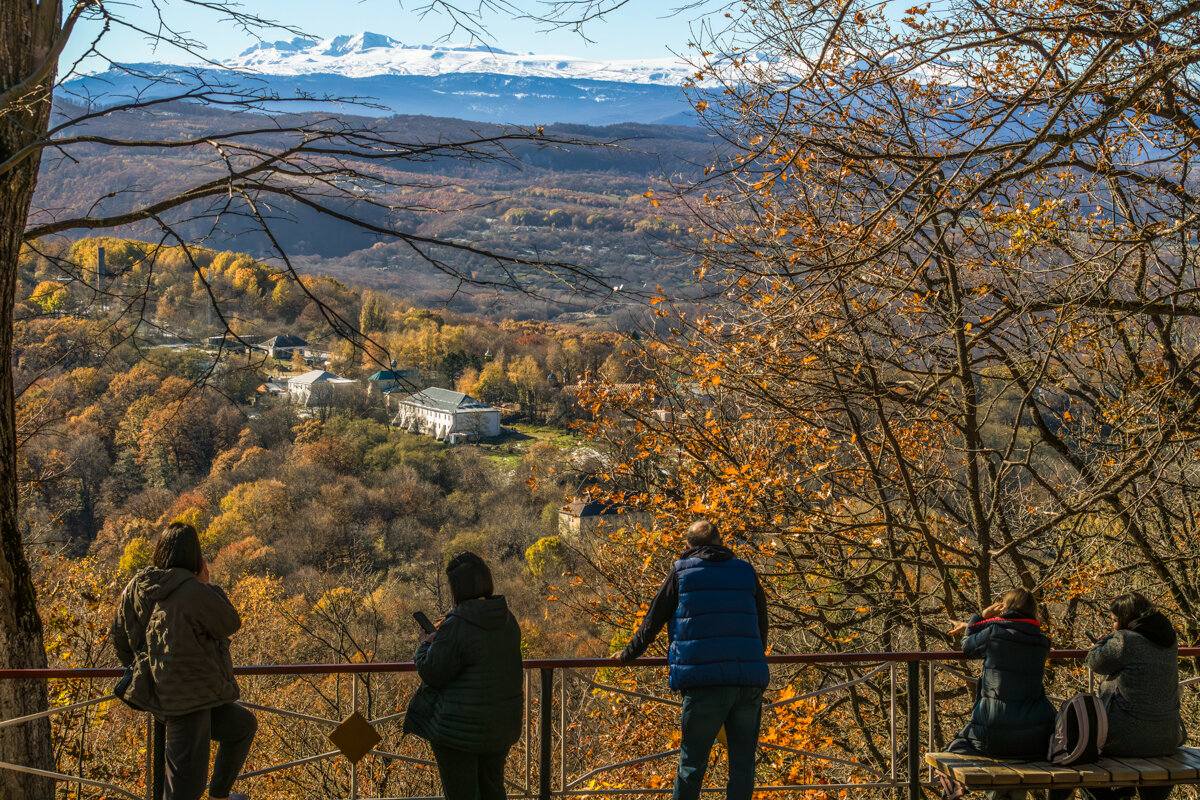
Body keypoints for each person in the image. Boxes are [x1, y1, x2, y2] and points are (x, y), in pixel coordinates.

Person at [612, 519, 769, 800]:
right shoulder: (746, 571)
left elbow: (653, 622)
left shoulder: (681, 572)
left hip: (704, 685)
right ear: (721, 542)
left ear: (688, 546)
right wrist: (751, 661)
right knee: (743, 766)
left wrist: (628, 654)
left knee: (692, 765)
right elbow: (762, 624)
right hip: (748, 682)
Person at [110, 522, 256, 800]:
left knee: (242, 725)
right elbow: (228, 621)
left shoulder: (137, 586)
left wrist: (146, 670)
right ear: (194, 555)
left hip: (162, 696)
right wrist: (206, 584)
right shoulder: (192, 589)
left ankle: (219, 796)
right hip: (188, 699)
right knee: (184, 788)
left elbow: (120, 637)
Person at [403, 552, 524, 800]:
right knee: (493, 790)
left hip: (458, 732)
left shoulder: (457, 624)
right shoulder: (506, 619)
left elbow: (431, 671)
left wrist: (426, 643)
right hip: (500, 726)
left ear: (456, 588)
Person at [944, 589, 1056, 800]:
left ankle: (951, 795)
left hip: (993, 733)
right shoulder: (1042, 642)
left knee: (953, 752)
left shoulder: (994, 631)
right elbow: (1014, 630)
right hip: (1035, 739)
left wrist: (980, 617)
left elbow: (968, 647)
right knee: (1013, 773)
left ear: (1004, 608)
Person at [1082, 592, 1186, 800]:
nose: (1113, 626)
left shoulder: (1124, 640)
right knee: (1157, 780)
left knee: (1081, 756)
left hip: (1124, 737)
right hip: (1167, 737)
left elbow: (1095, 662)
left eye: (1114, 621)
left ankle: (1106, 796)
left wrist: (1101, 644)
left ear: (1126, 618)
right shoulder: (1168, 639)